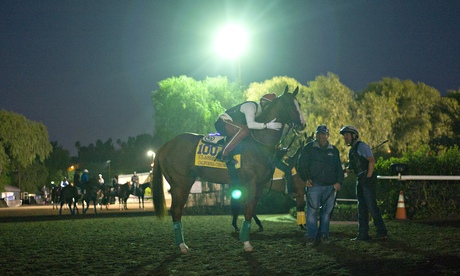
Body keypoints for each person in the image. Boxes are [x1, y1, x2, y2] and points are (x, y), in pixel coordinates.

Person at [297, 125, 343, 245]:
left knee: (326, 213)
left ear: (327, 135)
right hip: (314, 186)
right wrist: (305, 179)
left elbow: (338, 168)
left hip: (330, 186)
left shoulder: (334, 150)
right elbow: (300, 165)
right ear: (316, 135)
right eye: (319, 134)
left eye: (324, 134)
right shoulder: (308, 148)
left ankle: (323, 235)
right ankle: (311, 236)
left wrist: (339, 182)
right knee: (312, 213)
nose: (321, 136)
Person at [340, 125, 388, 241]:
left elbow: (371, 161)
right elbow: (354, 167)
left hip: (366, 178)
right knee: (361, 207)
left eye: (347, 135)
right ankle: (363, 234)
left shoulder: (362, 146)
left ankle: (381, 231)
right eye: (344, 135)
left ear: (354, 135)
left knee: (371, 206)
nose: (345, 137)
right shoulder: (352, 151)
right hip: (360, 178)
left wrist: (368, 177)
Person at [214, 93, 283, 163]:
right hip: (223, 122)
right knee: (244, 130)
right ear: (264, 103)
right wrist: (267, 125)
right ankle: (223, 153)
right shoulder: (251, 106)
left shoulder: (260, 113)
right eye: (270, 107)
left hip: (234, 126)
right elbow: (250, 125)